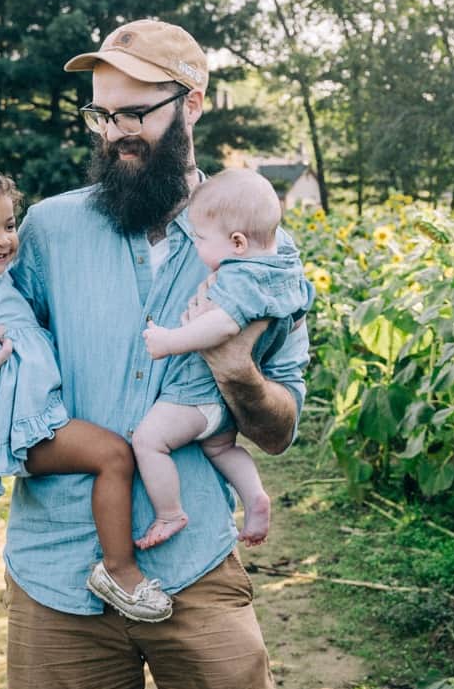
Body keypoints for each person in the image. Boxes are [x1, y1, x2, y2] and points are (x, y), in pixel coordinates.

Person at [0, 19, 309, 689]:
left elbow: (281, 429)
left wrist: (237, 370)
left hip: (193, 560)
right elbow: (1, 359)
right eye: (101, 115)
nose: (116, 133)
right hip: (57, 564)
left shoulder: (258, 246)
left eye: (136, 113)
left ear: (193, 104)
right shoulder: (46, 231)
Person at [0, 131, 171, 622]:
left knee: (112, 456)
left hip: (35, 413)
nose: (3, 239)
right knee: (113, 455)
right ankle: (119, 569)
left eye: (8, 225)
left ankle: (116, 565)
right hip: (20, 424)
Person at [132, 168, 316, 550]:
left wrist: (170, 341)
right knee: (220, 448)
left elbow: (222, 325)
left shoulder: (240, 276)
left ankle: (169, 512)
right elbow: (295, 314)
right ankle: (254, 496)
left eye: (200, 239)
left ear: (237, 242)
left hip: (196, 395)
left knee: (148, 441)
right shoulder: (283, 270)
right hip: (224, 405)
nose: (196, 247)